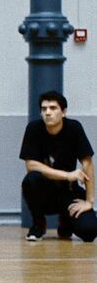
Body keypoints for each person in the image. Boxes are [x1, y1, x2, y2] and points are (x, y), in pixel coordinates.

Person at [19, 91, 97, 242]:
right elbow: (31, 165)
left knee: (89, 231)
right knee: (30, 180)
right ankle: (38, 224)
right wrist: (67, 175)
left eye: (53, 108)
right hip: (46, 194)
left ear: (64, 112)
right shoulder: (34, 129)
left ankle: (66, 223)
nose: (48, 112)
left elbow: (87, 163)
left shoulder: (74, 128)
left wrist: (89, 201)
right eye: (44, 109)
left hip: (69, 193)